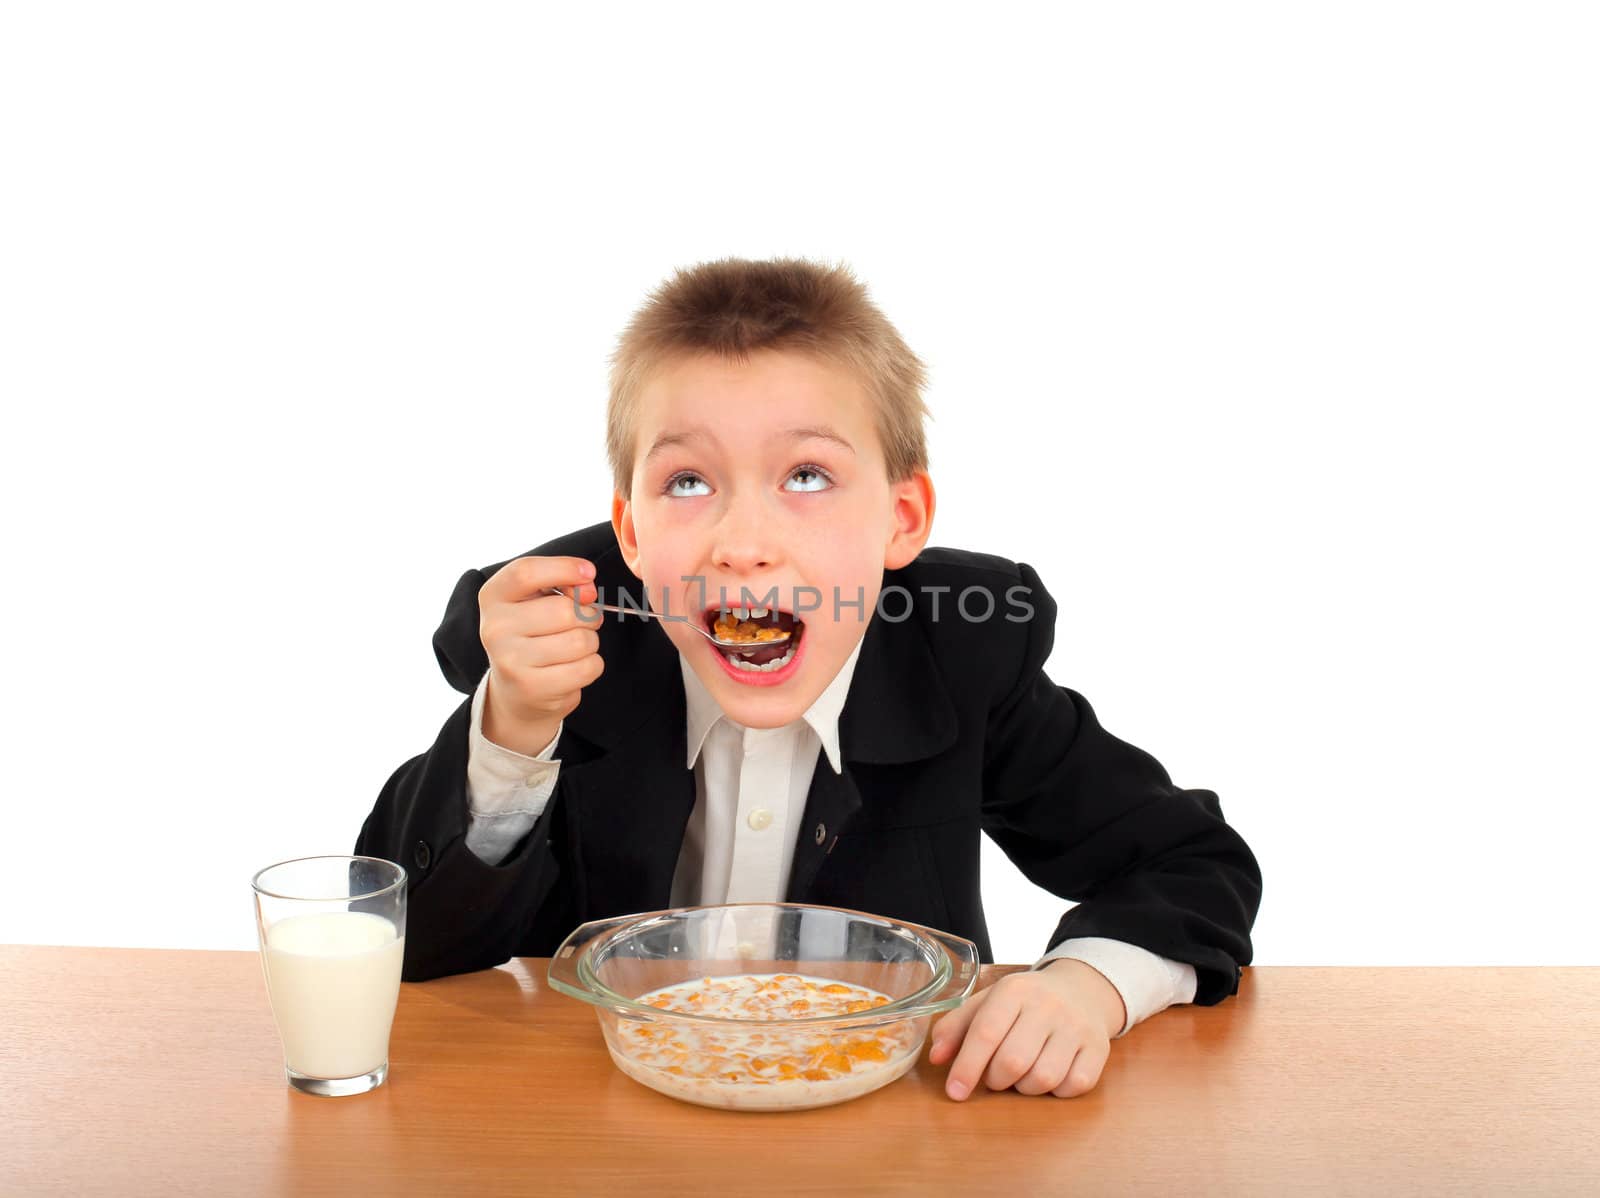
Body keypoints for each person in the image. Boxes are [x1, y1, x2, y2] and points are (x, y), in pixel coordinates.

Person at [356, 257, 1261, 1102]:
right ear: (631, 535)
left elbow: (1191, 864)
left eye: (806, 473)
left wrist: (1087, 988)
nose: (744, 544)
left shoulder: (960, 654)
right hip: (595, 1114)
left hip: (894, 1123)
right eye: (686, 483)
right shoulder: (562, 650)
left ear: (901, 520)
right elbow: (405, 945)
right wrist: (514, 726)